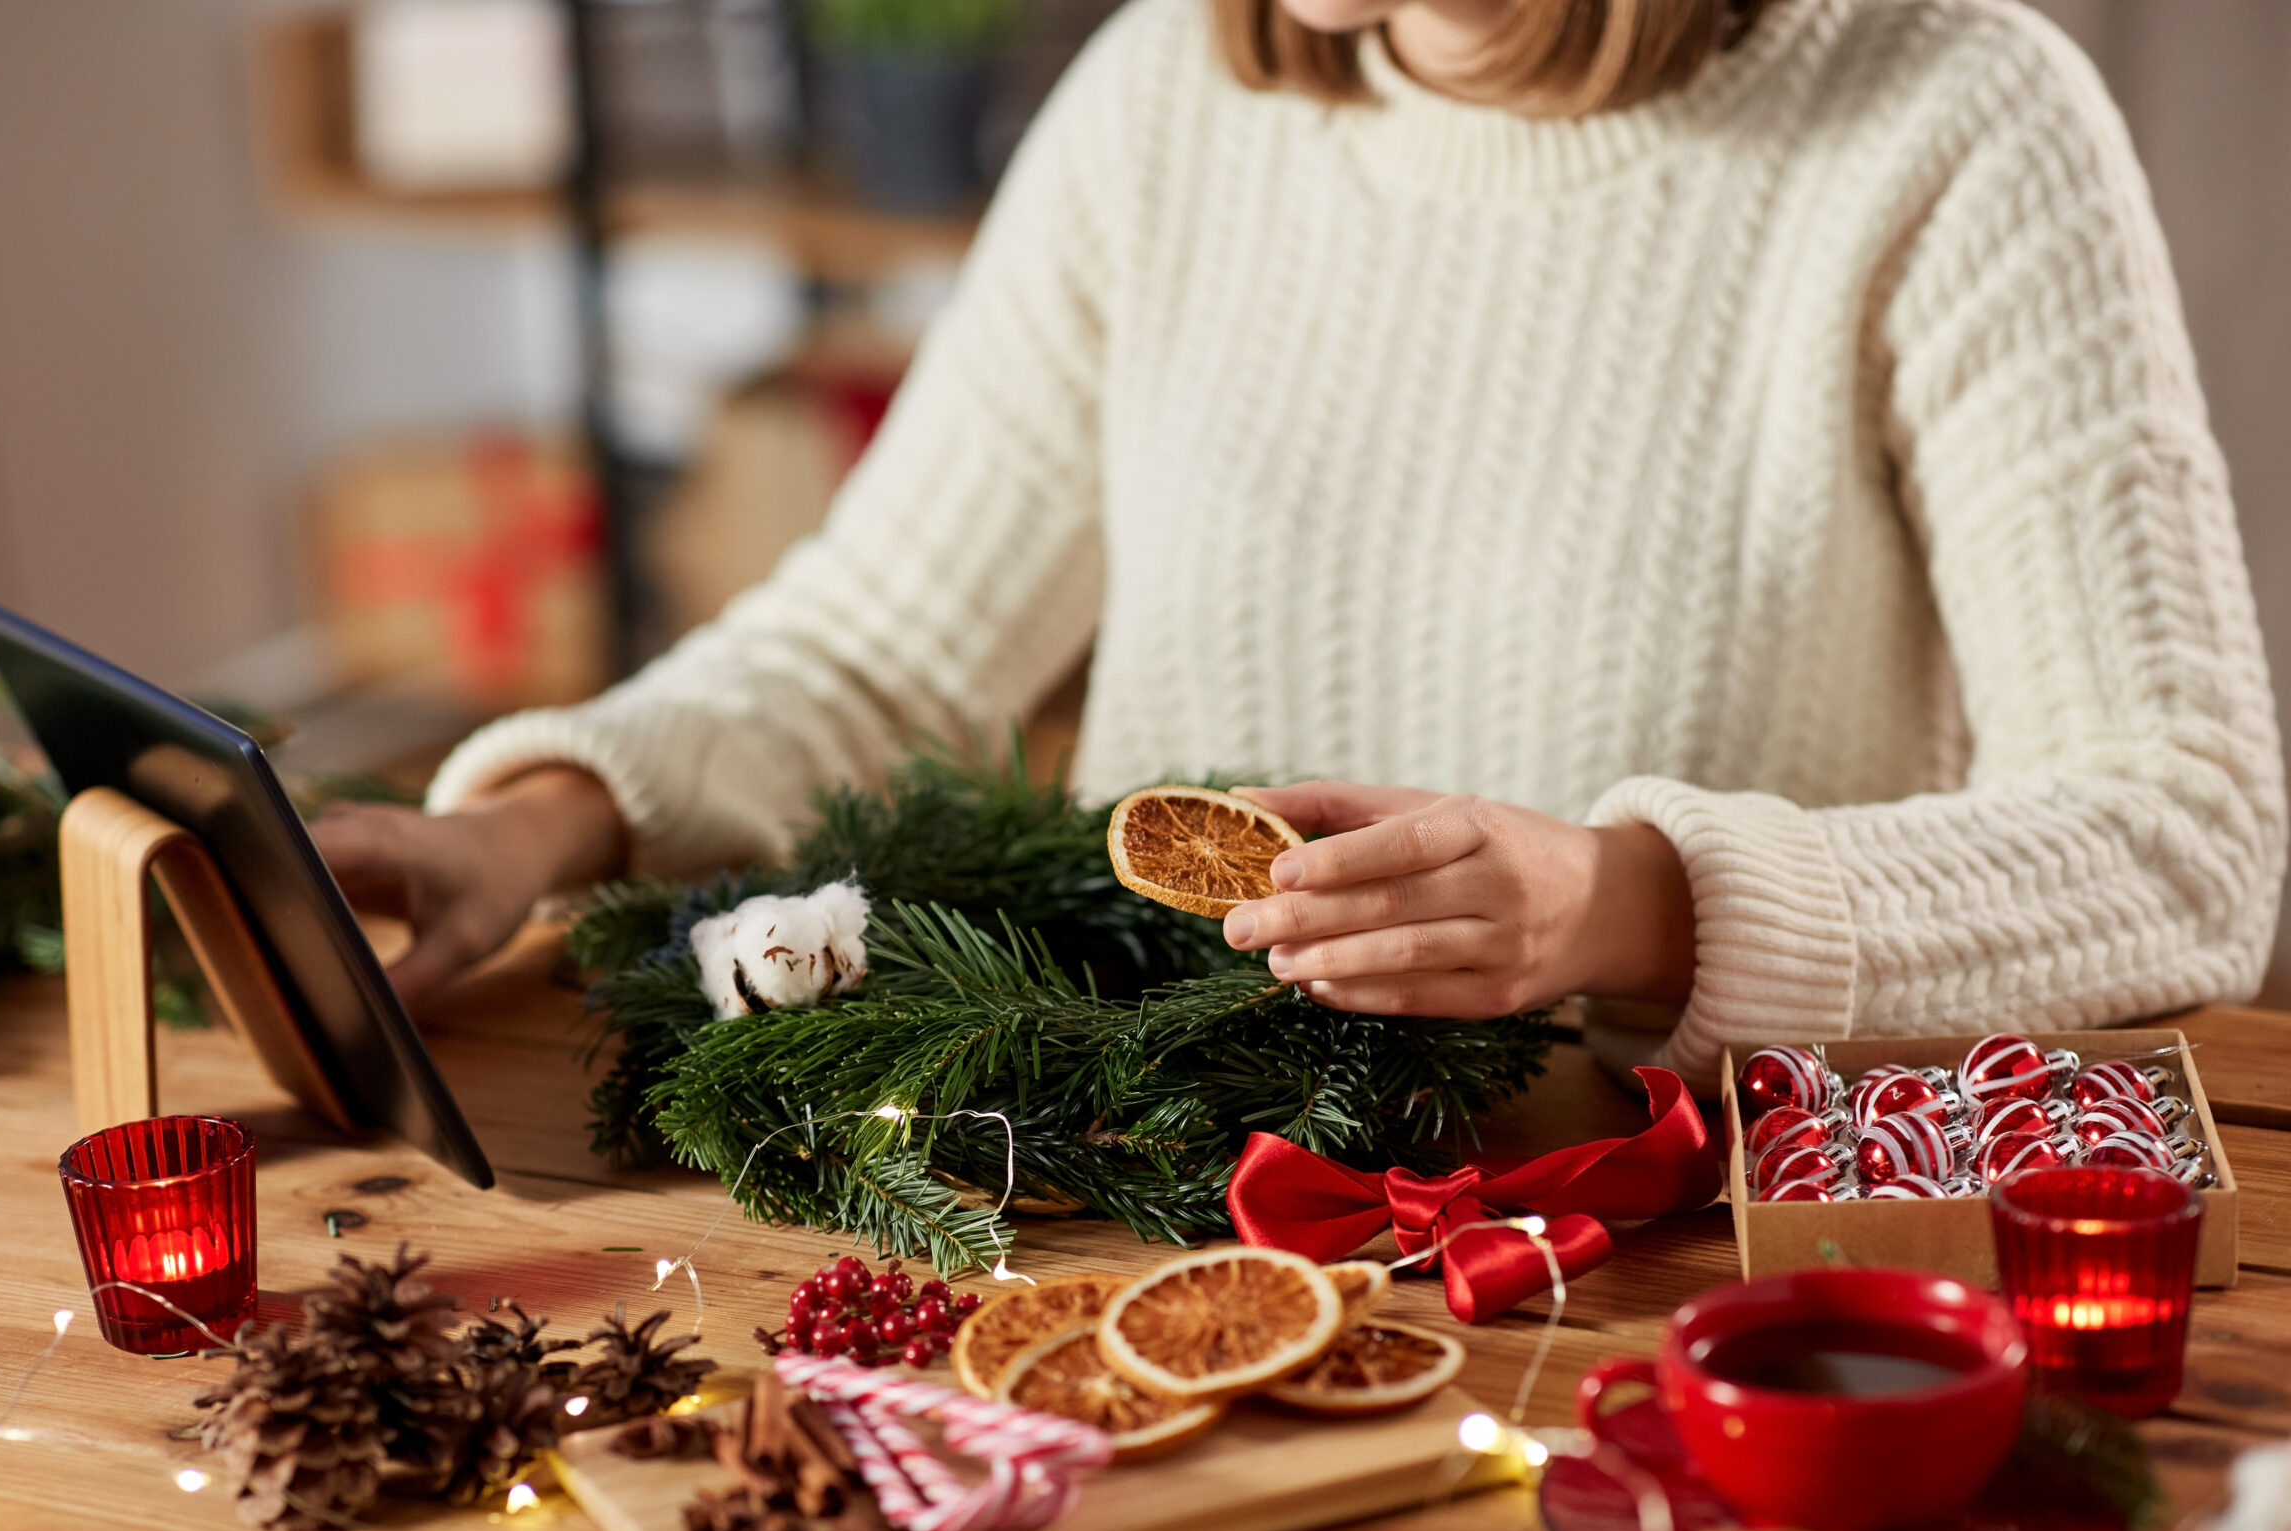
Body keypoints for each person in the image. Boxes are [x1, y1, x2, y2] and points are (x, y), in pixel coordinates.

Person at [314, 0, 2286, 1077]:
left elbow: (2177, 833)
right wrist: (531, 821)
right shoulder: (1160, 94)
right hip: (1143, 1196)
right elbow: (878, 651)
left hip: (1673, 1269)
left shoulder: (1954, 113)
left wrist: (1620, 899)